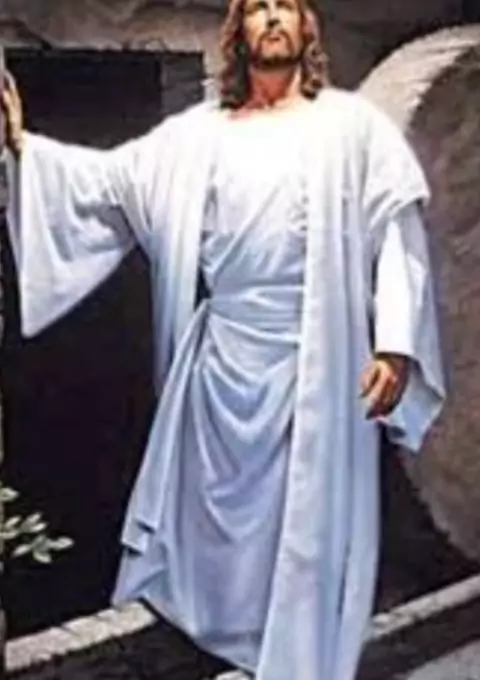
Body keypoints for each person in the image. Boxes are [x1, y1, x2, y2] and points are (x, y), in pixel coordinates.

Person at [1, 0, 445, 677]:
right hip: (220, 370)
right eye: (258, 8)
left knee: (305, 536)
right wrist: (27, 148)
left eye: (285, 6)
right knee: (208, 540)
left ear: (306, 28)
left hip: (315, 363)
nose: (273, 17)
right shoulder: (198, 135)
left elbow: (395, 230)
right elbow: (109, 184)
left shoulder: (351, 127)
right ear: (238, 32)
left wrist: (394, 344)